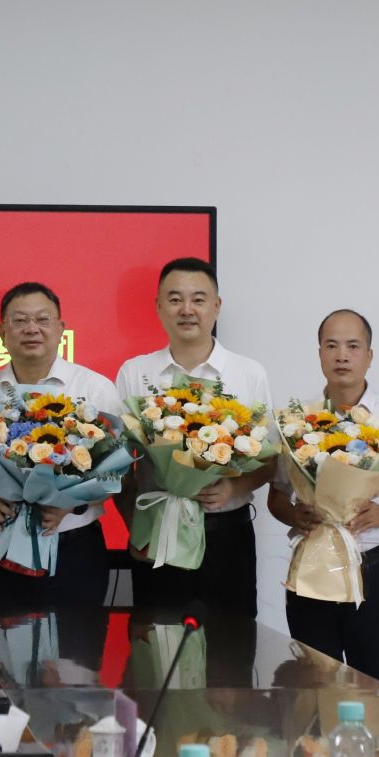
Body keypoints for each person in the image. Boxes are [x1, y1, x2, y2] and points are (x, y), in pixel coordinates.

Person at [267, 308, 379, 684]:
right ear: (319, 354)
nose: (342, 355)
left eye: (353, 346)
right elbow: (276, 497)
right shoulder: (293, 420)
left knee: (376, 691)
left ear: (369, 356)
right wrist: (294, 515)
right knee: (312, 690)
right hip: (312, 570)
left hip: (375, 570)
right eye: (332, 345)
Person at [114, 257, 272, 618]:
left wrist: (233, 487)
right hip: (157, 534)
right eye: (175, 299)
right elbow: (118, 465)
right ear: (158, 306)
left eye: (198, 299)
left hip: (227, 535)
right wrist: (135, 526)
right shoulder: (135, 373)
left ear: (216, 306)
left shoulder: (249, 374)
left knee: (231, 643)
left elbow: (270, 460)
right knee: (157, 642)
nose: (187, 310)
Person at [0, 282, 123, 610]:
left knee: (77, 640)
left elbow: (115, 472)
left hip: (74, 548)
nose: (31, 329)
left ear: (61, 328)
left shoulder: (94, 388)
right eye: (20, 320)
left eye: (42, 319)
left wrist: (71, 502)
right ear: (2, 332)